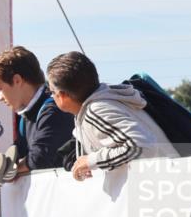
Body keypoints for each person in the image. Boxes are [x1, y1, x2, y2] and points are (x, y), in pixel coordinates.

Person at [45, 51, 179, 181]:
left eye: (51, 91)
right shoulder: (100, 103)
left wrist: (92, 161)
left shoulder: (97, 110)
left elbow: (142, 146)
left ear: (62, 96)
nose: (51, 95)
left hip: (163, 185)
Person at [0, 46, 73, 192]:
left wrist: (8, 170)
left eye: (0, 89)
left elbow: (40, 158)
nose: (0, 98)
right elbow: (19, 151)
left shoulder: (54, 109)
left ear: (17, 80)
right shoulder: (27, 114)